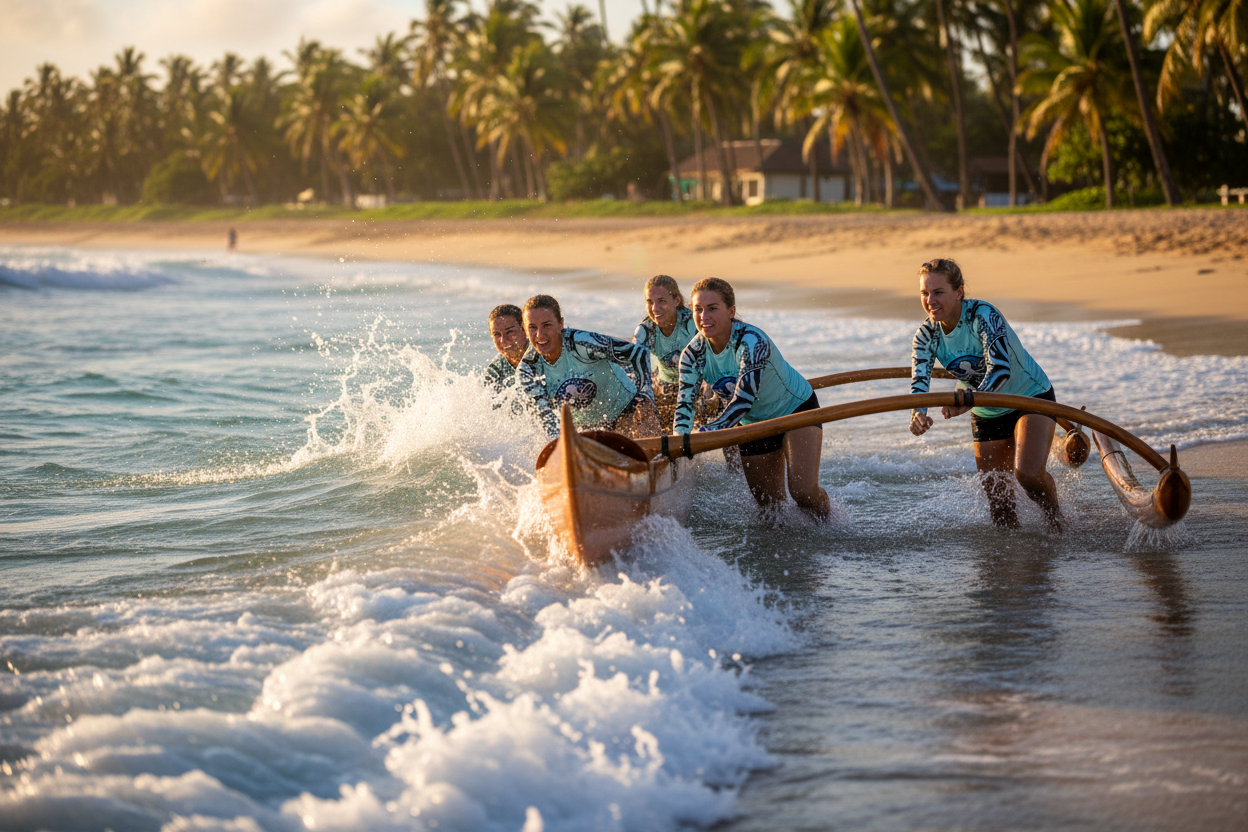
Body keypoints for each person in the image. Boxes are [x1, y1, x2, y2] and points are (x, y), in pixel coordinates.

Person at [908, 257, 1063, 530]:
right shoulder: (926, 335)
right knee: (1000, 509)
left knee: (1027, 475)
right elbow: (920, 383)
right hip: (985, 410)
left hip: (1028, 397)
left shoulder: (983, 314)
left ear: (959, 292)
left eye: (938, 292)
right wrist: (918, 415)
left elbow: (1000, 369)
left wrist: (965, 402)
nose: (930, 300)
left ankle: (1057, 523)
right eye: (924, 293)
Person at [675, 277, 830, 520]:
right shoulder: (691, 355)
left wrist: (708, 432)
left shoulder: (752, 340)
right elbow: (684, 405)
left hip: (796, 410)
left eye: (713, 308)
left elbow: (743, 400)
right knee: (770, 509)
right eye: (698, 309)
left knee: (803, 493)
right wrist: (679, 440)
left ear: (731, 311)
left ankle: (830, 528)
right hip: (753, 423)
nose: (703, 316)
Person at [518, 294, 660, 440]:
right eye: (532, 327)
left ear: (560, 324)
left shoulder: (582, 344)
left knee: (646, 441)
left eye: (547, 325)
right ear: (524, 328)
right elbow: (545, 419)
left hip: (627, 411)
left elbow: (638, 353)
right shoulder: (527, 371)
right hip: (585, 431)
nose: (540, 335)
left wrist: (645, 398)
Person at [632, 275, 699, 431]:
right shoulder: (646, 331)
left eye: (661, 301)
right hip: (667, 387)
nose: (655, 309)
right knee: (636, 410)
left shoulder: (691, 323)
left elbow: (713, 355)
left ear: (676, 301)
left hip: (698, 385)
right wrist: (641, 400)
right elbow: (632, 367)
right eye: (650, 302)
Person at [483, 304, 528, 394]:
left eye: (510, 331)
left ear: (525, 330)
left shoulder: (543, 354)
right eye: (497, 334)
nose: (503, 340)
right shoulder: (494, 372)